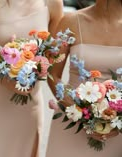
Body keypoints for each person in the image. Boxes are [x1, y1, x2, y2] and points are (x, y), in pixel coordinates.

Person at [0, 0, 63, 156]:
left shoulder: (53, 3)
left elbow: (53, 56)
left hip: (29, 106)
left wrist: (37, 68)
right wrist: (6, 76)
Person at [46, 0, 122, 156]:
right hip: (70, 124)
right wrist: (77, 109)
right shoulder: (70, 22)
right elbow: (52, 74)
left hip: (116, 130)